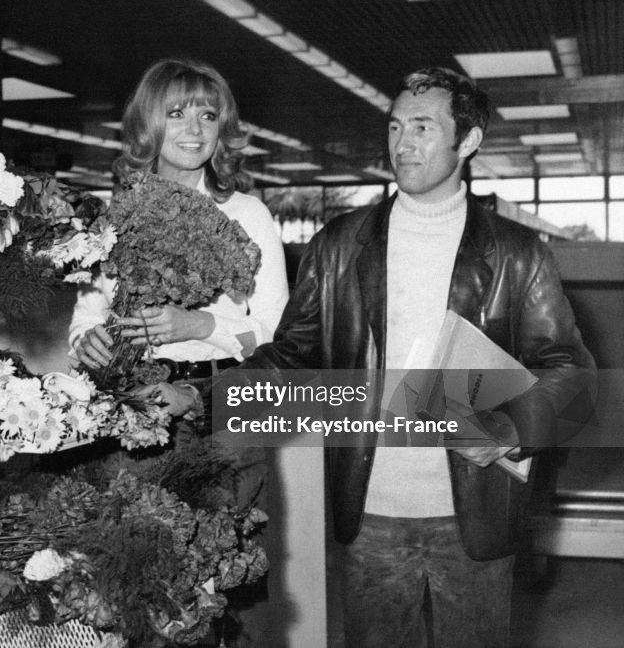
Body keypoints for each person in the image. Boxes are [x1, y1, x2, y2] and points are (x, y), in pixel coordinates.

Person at [232, 67, 594, 648]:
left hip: (473, 516)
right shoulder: (339, 245)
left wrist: (510, 425)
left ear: (468, 141)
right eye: (396, 126)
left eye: (423, 127)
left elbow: (570, 374)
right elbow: (293, 356)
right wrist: (208, 391)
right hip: (368, 513)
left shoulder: (517, 254)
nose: (403, 143)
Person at [70, 57, 288, 398]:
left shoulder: (247, 214)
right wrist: (85, 341)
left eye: (208, 116)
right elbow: (86, 315)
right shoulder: (115, 215)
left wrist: (200, 326)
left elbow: (278, 337)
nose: (196, 130)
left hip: (217, 400)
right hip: (128, 398)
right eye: (177, 114)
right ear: (147, 125)